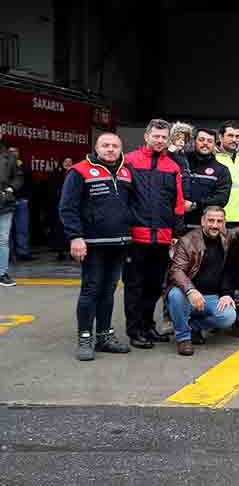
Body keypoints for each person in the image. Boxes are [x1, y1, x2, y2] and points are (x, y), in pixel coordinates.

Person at [59, 133, 133, 359]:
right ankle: (84, 338)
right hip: (92, 245)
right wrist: (75, 237)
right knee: (91, 290)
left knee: (109, 291)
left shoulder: (126, 172)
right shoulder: (79, 171)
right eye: (105, 145)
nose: (110, 149)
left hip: (119, 244)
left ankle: (104, 337)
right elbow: (67, 208)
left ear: (121, 149)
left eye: (115, 146)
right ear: (96, 148)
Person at [123, 119, 185, 349]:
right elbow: (122, 198)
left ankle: (148, 326)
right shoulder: (129, 161)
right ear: (146, 136)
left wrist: (176, 232)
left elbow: (178, 203)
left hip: (162, 237)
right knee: (134, 285)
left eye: (163, 137)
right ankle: (135, 330)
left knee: (154, 286)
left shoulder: (173, 166)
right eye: (156, 136)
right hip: (135, 237)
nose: (159, 141)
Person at [164, 206, 238, 356]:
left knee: (229, 316)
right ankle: (183, 338)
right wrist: (191, 290)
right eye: (211, 220)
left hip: (212, 296)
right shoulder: (187, 241)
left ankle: (194, 326)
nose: (215, 225)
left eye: (219, 221)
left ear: (224, 223)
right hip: (189, 296)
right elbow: (176, 270)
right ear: (202, 221)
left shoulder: (227, 238)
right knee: (175, 295)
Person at [181, 127, 231, 233]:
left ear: (214, 144)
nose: (205, 144)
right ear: (194, 141)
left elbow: (221, 199)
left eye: (209, 141)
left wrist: (195, 205)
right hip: (178, 227)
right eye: (201, 140)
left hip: (205, 230)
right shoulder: (181, 163)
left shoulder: (221, 170)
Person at [214, 123, 239, 227]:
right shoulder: (213, 157)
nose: (234, 139)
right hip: (217, 218)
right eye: (230, 135)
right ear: (220, 137)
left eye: (237, 136)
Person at [0, 135, 23, 286]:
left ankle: (2, 274)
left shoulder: (10, 156)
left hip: (5, 203)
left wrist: (10, 189)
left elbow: (19, 177)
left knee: (2, 240)